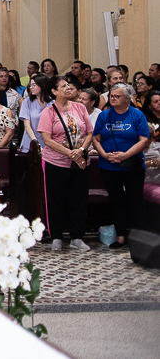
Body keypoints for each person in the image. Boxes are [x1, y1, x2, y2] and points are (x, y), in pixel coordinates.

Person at [90, 83, 150, 249]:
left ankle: (141, 239)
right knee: (116, 201)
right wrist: (103, 154)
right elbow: (95, 138)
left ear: (127, 98)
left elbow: (143, 139)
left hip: (132, 165)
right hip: (108, 165)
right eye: (111, 96)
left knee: (135, 201)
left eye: (117, 96)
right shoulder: (104, 115)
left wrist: (126, 155)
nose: (112, 99)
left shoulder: (137, 115)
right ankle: (121, 235)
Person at [38, 75, 94, 251]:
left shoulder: (79, 108)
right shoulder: (49, 112)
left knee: (79, 199)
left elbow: (89, 133)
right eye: (64, 86)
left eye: (68, 85)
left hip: (80, 161)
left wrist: (81, 151)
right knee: (56, 200)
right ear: (54, 91)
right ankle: (56, 236)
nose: (68, 88)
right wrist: (70, 153)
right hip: (55, 162)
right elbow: (47, 139)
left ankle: (77, 237)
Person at [18, 75, 47, 154]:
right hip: (31, 142)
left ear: (42, 85)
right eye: (31, 85)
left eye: (34, 85)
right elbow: (27, 126)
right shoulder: (27, 102)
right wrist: (36, 144)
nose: (31, 87)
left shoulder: (52, 103)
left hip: (48, 143)